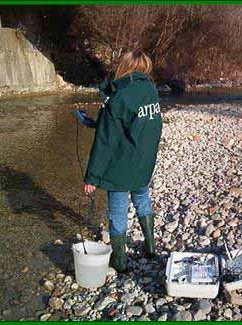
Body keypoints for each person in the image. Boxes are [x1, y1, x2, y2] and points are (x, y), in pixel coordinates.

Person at [83, 50, 162, 272]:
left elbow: (105, 142)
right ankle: (151, 248)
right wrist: (96, 121)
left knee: (118, 213)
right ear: (144, 68)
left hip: (120, 167)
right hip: (144, 165)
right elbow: (133, 125)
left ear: (124, 67)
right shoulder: (150, 91)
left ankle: (119, 263)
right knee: (142, 200)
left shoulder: (118, 99)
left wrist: (92, 176)